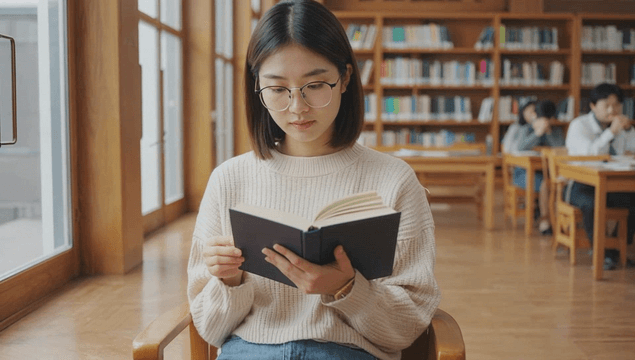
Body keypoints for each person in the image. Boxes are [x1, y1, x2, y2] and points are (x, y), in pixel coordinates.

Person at [187, 1, 440, 359]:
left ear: (346, 79)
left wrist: (346, 289)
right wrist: (230, 281)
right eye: (277, 89)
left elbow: (407, 327)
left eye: (315, 85)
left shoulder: (393, 180)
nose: (297, 107)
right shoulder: (230, 179)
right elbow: (210, 329)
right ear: (257, 87)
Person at [564, 83, 635, 270]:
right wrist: (611, 133)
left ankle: (616, 247)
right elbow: (589, 156)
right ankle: (600, 253)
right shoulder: (579, 125)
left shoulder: (621, 126)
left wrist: (628, 132)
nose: (612, 110)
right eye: (607, 105)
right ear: (593, 106)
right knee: (591, 204)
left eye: (617, 105)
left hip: (613, 184)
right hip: (581, 185)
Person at [509, 100, 565, 234]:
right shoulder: (526, 129)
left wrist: (549, 131)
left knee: (550, 183)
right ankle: (545, 220)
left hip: (549, 171)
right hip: (524, 173)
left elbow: (560, 149)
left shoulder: (556, 131)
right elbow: (520, 148)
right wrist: (537, 133)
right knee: (545, 185)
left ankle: (552, 219)